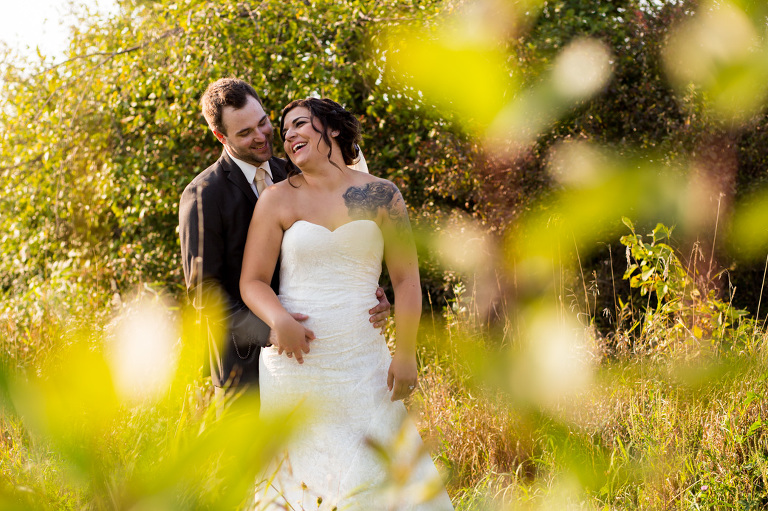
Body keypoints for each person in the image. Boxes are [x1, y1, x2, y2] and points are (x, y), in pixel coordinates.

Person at [240, 98, 453, 510]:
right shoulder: (277, 200)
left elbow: (407, 280)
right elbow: (252, 281)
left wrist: (406, 353)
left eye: (300, 124)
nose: (289, 135)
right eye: (285, 131)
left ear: (332, 129)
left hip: (363, 362)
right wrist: (279, 318)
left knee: (378, 473)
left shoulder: (380, 195)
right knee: (300, 477)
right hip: (297, 365)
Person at [178, 78, 389, 391]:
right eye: (245, 133)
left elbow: (344, 233)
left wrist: (372, 293)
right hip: (246, 365)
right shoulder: (203, 195)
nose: (261, 136)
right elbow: (204, 291)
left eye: (263, 122)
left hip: (321, 355)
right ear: (220, 136)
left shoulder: (293, 172)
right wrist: (269, 330)